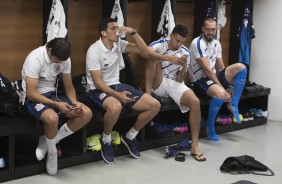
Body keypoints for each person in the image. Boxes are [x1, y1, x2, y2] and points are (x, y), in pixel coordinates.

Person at [86, 18, 161, 164]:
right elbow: (98, 82)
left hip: (116, 85)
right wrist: (117, 95)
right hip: (96, 90)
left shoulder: (119, 43)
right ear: (103, 33)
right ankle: (106, 139)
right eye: (113, 28)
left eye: (118, 27)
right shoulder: (94, 50)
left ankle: (130, 136)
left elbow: (145, 52)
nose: (117, 30)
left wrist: (133, 32)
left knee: (155, 105)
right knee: (115, 107)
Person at [21, 38, 93, 175]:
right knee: (52, 118)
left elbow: (69, 86)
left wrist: (74, 101)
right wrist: (56, 105)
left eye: (62, 60)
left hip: (53, 94)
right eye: (57, 59)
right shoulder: (35, 58)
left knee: (86, 113)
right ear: (49, 50)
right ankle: (52, 153)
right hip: (33, 98)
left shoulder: (64, 58)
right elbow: (31, 94)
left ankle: (49, 140)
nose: (59, 63)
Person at [145, 24, 206, 162]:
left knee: (195, 102)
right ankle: (147, 93)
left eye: (182, 42)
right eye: (177, 40)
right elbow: (146, 52)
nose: (179, 44)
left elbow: (179, 80)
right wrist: (167, 58)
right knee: (152, 57)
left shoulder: (185, 53)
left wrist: (183, 68)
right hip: (159, 82)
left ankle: (195, 145)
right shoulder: (160, 44)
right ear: (171, 36)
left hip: (174, 83)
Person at [189, 18, 247, 141]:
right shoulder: (197, 43)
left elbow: (220, 67)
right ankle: (210, 126)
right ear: (202, 29)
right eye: (208, 29)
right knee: (220, 94)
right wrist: (222, 87)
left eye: (213, 29)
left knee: (241, 68)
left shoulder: (217, 43)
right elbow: (207, 70)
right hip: (200, 80)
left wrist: (230, 85)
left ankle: (234, 104)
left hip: (213, 76)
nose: (211, 32)